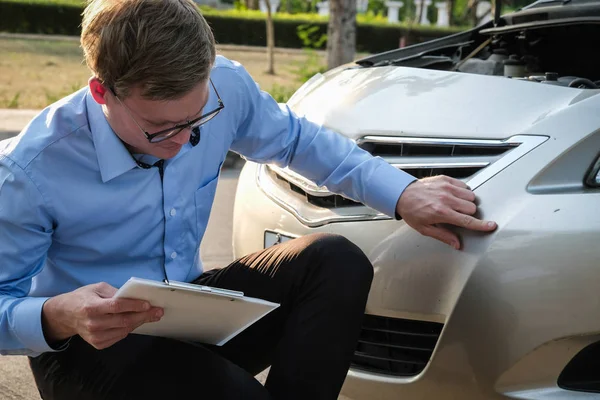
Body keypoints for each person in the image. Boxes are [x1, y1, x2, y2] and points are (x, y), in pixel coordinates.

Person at [0, 1, 497, 399]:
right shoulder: (30, 170)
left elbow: (299, 142)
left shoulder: (225, 85)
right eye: (159, 128)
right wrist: (57, 314)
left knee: (335, 260)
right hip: (90, 348)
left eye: (197, 119)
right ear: (102, 93)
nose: (182, 141)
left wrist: (403, 191)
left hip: (192, 312)